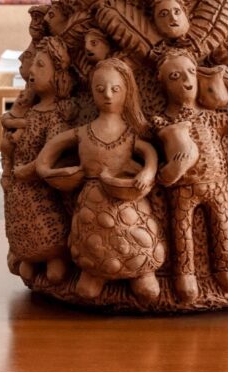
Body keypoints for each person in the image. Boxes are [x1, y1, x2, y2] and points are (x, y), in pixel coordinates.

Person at [35, 57, 165, 304]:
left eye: (115, 89)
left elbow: (148, 152)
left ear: (127, 91)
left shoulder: (129, 133)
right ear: (92, 91)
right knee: (91, 253)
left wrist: (147, 172)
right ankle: (94, 272)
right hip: (92, 203)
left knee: (136, 241)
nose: (107, 95)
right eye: (100, 89)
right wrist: (46, 170)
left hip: (127, 202)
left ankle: (142, 272)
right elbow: (50, 150)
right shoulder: (84, 132)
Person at [154, 49, 228, 302]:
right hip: (183, 186)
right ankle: (185, 274)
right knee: (182, 230)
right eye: (175, 76)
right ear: (162, 82)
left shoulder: (210, 118)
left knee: (222, 224)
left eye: (191, 72)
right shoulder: (161, 123)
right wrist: (168, 171)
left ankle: (225, 267)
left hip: (216, 183)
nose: (186, 81)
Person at [4, 36, 76, 285]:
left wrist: (26, 170)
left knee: (46, 225)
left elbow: (50, 154)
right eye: (33, 64)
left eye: (41, 65)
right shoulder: (35, 110)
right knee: (23, 225)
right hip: (21, 188)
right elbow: (27, 130)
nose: (32, 71)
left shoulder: (58, 115)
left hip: (38, 187)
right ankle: (28, 254)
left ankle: (53, 257)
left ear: (58, 74)